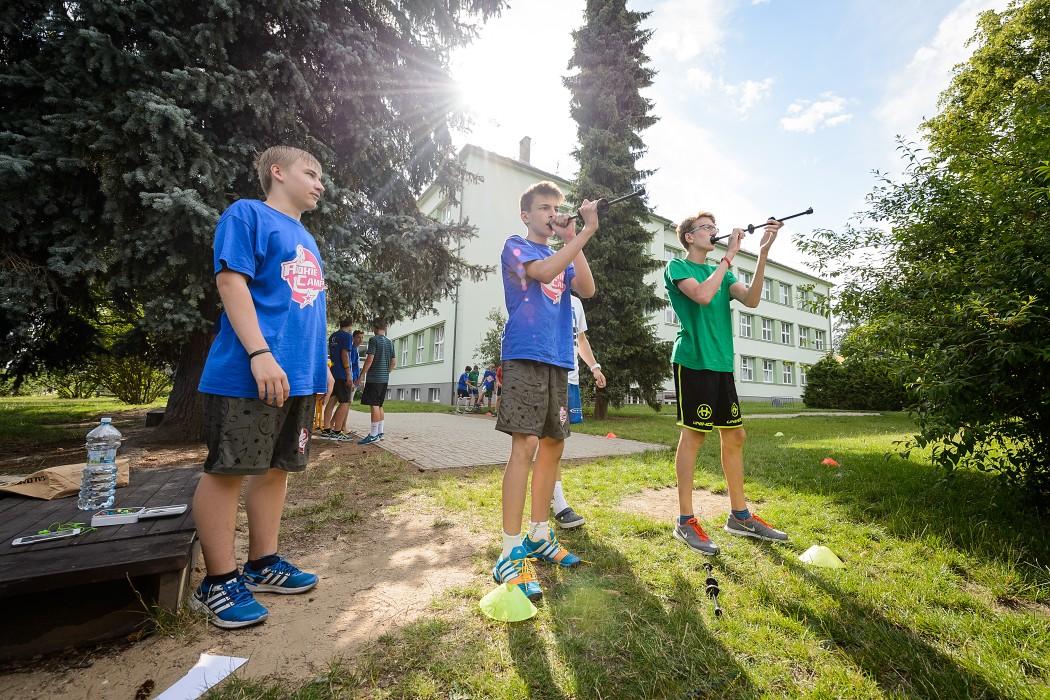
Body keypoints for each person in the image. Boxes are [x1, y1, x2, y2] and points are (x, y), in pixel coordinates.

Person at [192, 145, 331, 629]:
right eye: (310, 173)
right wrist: (259, 354)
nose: (319, 183)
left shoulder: (307, 238)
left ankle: (262, 564)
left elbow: (306, 307)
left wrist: (323, 365)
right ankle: (218, 581)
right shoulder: (246, 214)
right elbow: (231, 283)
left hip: (297, 377)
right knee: (229, 471)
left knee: (275, 470)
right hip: (250, 371)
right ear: (277, 172)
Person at [493, 181, 600, 601]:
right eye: (543, 207)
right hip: (525, 354)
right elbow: (543, 273)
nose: (552, 213)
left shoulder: (563, 249)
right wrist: (583, 234)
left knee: (553, 444)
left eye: (557, 207)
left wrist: (575, 237)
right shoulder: (516, 246)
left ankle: (540, 533)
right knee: (526, 445)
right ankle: (509, 550)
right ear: (526, 215)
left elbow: (586, 289)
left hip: (559, 358)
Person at [664, 209, 788, 556]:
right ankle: (685, 520)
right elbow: (702, 296)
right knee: (694, 434)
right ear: (689, 236)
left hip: (721, 364)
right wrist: (728, 257)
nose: (713, 232)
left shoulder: (722, 270)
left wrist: (762, 253)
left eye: (715, 228)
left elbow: (751, 299)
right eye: (706, 228)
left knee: (735, 435)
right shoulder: (679, 267)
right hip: (694, 361)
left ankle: (740, 516)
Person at [550, 293, 607, 530]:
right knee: (552, 441)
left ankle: (549, 494)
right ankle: (557, 502)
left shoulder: (575, 302)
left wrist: (594, 367)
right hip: (550, 372)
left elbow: (580, 339)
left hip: (570, 379)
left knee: (557, 440)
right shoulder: (543, 288)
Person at [357, 320, 396, 444]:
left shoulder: (374, 340)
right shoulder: (390, 342)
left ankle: (373, 435)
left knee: (373, 405)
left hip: (374, 378)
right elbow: (393, 362)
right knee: (379, 405)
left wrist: (362, 375)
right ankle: (380, 432)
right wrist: (387, 371)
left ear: (374, 327)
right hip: (384, 379)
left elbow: (370, 359)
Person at [321, 318, 355, 441]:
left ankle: (326, 429)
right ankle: (337, 431)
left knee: (332, 401)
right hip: (342, 374)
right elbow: (344, 354)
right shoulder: (347, 336)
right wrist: (348, 374)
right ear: (350, 324)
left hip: (333, 372)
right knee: (345, 402)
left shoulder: (333, 336)